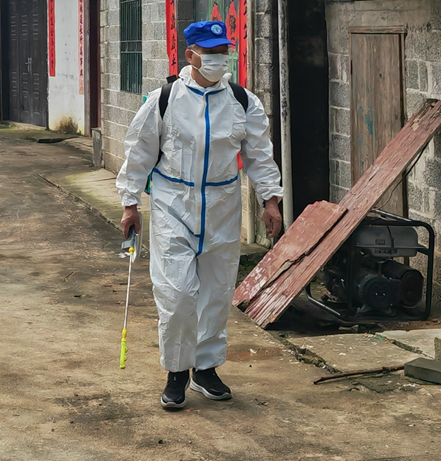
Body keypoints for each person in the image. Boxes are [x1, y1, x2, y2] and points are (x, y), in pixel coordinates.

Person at [116, 20, 283, 410]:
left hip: (223, 206)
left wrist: (271, 200)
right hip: (173, 203)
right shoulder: (165, 99)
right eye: (210, 53)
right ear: (190, 55)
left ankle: (205, 369)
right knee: (176, 293)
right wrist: (130, 203)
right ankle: (176, 371)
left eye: (223, 53)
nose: (219, 60)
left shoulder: (242, 101)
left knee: (217, 292)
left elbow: (260, 154)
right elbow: (139, 152)